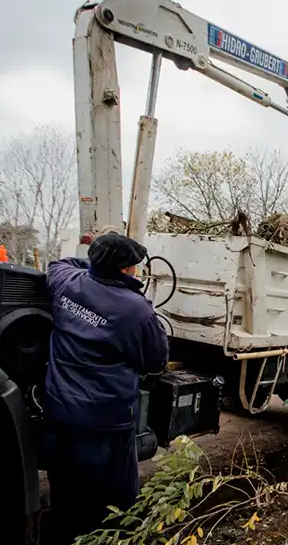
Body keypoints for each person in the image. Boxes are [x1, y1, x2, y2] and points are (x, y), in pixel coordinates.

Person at [43, 231, 169, 545]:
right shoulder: (137, 310)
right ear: (126, 270)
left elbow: (59, 263)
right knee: (116, 501)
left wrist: (92, 267)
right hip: (106, 422)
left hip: (59, 412)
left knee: (65, 489)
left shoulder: (67, 284)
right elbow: (157, 362)